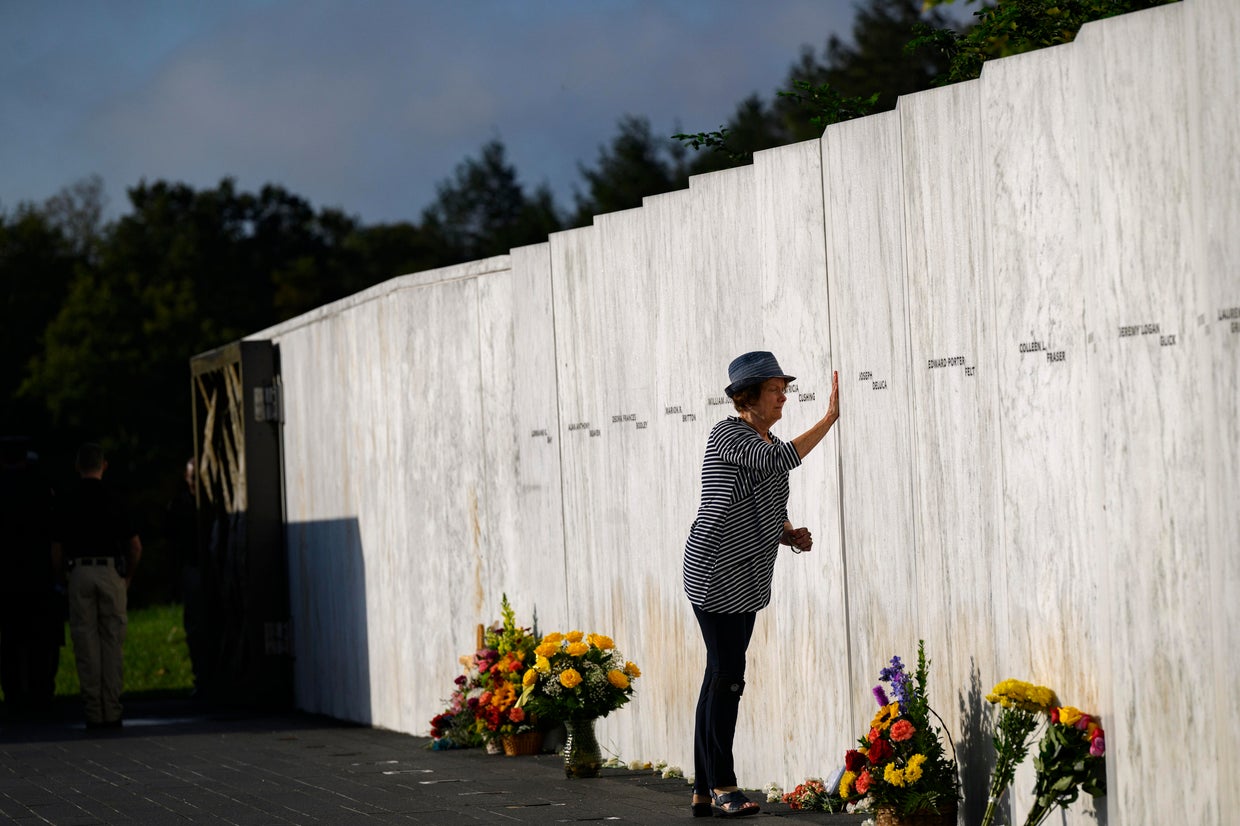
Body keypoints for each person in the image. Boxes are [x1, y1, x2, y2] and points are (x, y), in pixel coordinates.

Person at [683, 351, 840, 818]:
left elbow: (764, 493)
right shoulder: (731, 435)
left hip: (746, 576)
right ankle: (724, 784)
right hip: (715, 573)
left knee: (718, 675)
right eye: (776, 390)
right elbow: (781, 459)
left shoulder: (759, 436)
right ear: (748, 397)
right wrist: (830, 417)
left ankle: (701, 786)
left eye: (783, 389)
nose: (784, 397)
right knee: (729, 677)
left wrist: (787, 532)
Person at [51, 443, 142, 729]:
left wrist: (61, 578)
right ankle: (112, 711)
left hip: (79, 571)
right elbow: (135, 546)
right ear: (104, 466)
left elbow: (56, 549)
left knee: (86, 645)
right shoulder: (116, 499)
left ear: (78, 467)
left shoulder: (66, 500)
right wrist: (127, 577)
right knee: (112, 643)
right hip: (109, 570)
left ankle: (93, 711)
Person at [0, 436, 59, 716]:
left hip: (7, 575)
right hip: (38, 573)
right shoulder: (39, 486)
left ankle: (13, 696)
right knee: (39, 639)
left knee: (10, 641)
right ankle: (40, 695)